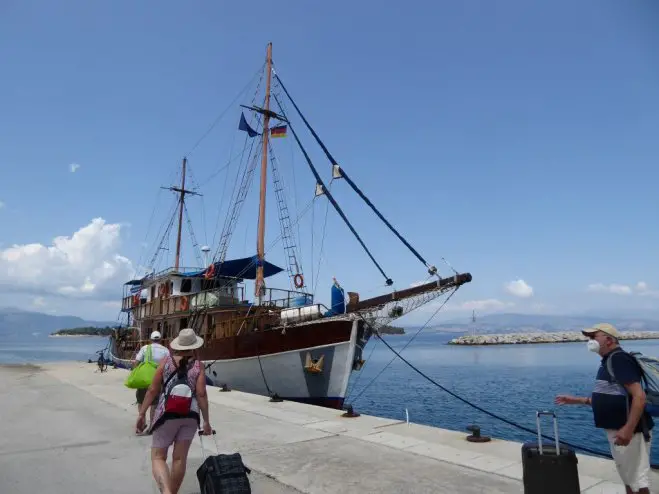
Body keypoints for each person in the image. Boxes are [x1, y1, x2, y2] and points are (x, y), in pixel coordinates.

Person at [555, 323, 653, 494]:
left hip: (630, 432)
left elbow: (639, 397)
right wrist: (577, 400)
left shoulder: (619, 359)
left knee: (637, 481)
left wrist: (628, 429)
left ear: (608, 339)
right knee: (629, 479)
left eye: (594, 337)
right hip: (619, 430)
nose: (590, 341)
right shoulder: (608, 361)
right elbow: (613, 397)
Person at [136, 328, 211, 494]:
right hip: (190, 416)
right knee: (179, 458)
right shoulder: (199, 365)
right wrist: (206, 421)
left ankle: (167, 492)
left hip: (166, 413)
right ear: (194, 347)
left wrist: (141, 414)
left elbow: (152, 390)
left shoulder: (166, 361)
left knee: (158, 457)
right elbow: (201, 394)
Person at [132, 331, 169, 428]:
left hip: (144, 379)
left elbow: (136, 362)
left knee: (141, 401)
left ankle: (142, 422)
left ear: (150, 340)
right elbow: (168, 366)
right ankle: (152, 425)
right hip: (158, 379)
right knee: (155, 403)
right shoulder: (165, 350)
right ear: (160, 340)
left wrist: (136, 373)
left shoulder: (145, 348)